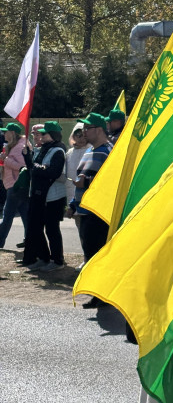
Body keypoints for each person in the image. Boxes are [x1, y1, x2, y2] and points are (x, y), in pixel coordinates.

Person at [69, 113, 112, 306]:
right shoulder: (88, 151)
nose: (84, 132)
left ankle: (103, 295)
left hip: (99, 212)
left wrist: (86, 182)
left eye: (88, 128)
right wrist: (72, 204)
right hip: (84, 211)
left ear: (99, 129)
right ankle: (97, 294)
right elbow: (80, 179)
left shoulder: (109, 151)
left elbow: (111, 182)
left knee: (98, 253)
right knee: (90, 253)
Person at [21, 121, 67, 271]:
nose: (40, 136)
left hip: (53, 197)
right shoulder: (44, 149)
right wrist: (28, 157)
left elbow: (53, 172)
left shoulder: (58, 151)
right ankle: (44, 257)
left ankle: (57, 261)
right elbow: (33, 169)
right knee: (36, 228)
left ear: (52, 135)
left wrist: (36, 168)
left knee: (52, 229)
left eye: (44, 133)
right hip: (40, 195)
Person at [65, 123, 90, 269]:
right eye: (77, 134)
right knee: (80, 228)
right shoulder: (69, 153)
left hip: (87, 197)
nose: (80, 138)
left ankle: (90, 259)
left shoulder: (90, 150)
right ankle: (85, 257)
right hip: (73, 197)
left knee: (89, 231)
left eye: (82, 134)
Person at [0, 122, 29, 249]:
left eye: (5, 131)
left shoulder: (20, 147)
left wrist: (6, 159)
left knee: (7, 216)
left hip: (16, 186)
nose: (3, 134)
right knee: (25, 215)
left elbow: (23, 167)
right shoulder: (15, 146)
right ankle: (30, 240)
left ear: (12, 133)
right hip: (17, 186)